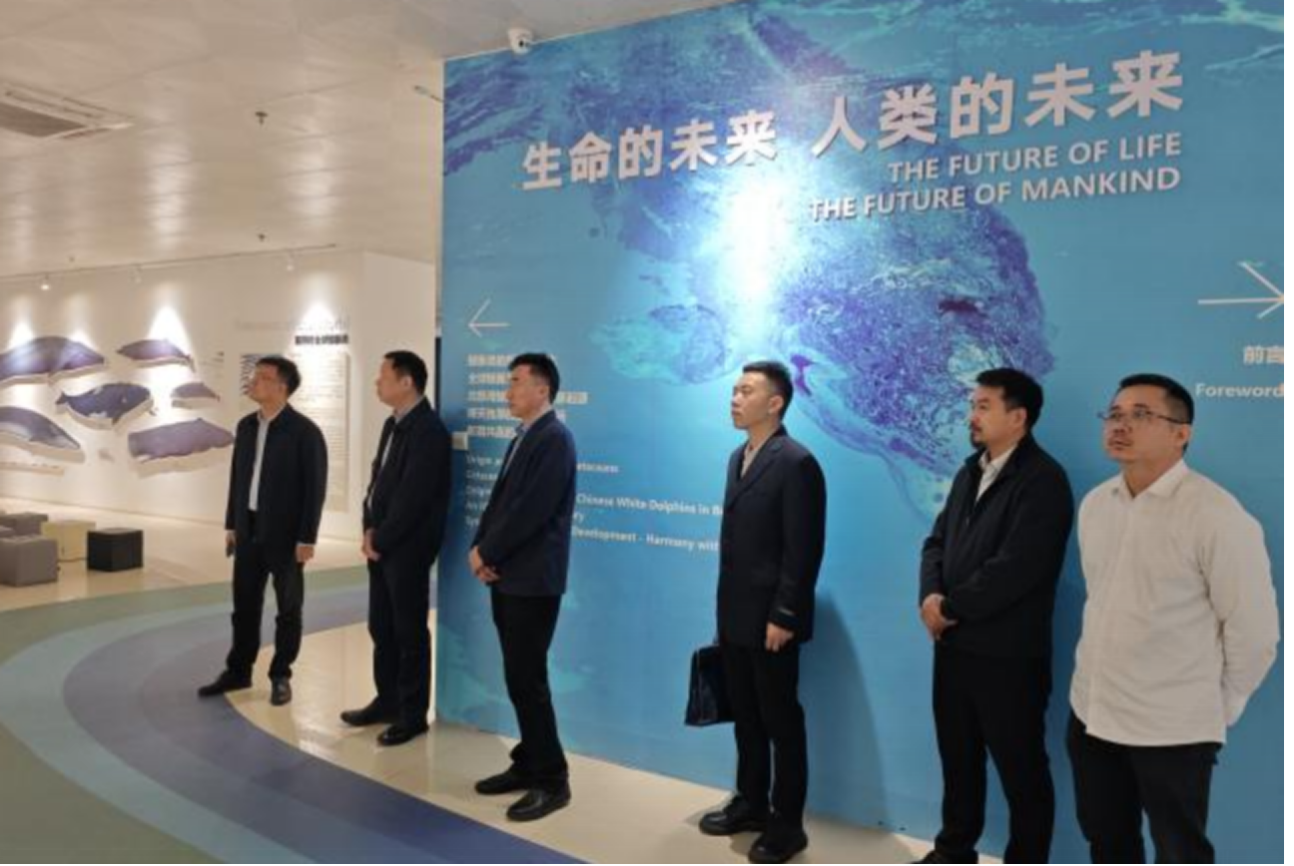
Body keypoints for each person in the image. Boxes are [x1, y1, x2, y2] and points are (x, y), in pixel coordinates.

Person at [1068, 374, 1280, 864]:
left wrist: (1212, 710)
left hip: (1172, 729)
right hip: (1093, 711)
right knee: (1107, 840)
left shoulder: (1216, 516)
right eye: (1114, 414)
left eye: (1141, 415)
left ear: (1181, 433)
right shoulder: (1097, 504)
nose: (1120, 425)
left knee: (1180, 852)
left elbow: (1254, 633)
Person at [915, 369, 1074, 864]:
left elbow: (1018, 568)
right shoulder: (970, 472)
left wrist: (950, 608)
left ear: (1018, 417)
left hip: (1009, 657)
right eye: (973, 405)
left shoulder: (1044, 480)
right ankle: (953, 851)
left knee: (1022, 774)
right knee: (958, 762)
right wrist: (930, 594)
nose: (972, 416)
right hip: (953, 648)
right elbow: (936, 542)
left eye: (983, 406)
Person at [700, 361, 827, 866]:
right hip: (736, 615)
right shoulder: (739, 457)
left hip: (774, 621)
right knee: (746, 718)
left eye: (746, 391)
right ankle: (750, 802)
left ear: (775, 403)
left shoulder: (796, 462)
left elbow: (803, 549)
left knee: (781, 723)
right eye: (734, 389)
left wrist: (785, 615)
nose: (735, 398)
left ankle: (787, 824)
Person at [470, 353, 578, 823]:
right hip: (509, 574)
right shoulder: (525, 435)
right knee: (518, 677)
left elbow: (533, 510)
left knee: (528, 680)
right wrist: (481, 548)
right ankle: (529, 761)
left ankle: (553, 780)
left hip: (532, 581)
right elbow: (501, 505)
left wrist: (488, 552)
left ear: (542, 389)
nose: (507, 391)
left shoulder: (554, 438)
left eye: (516, 382)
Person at [200, 355, 327, 708]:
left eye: (262, 377)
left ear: (282, 386)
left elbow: (314, 489)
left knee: (288, 609)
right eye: (254, 376)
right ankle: (238, 670)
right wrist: (232, 523)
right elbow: (237, 479)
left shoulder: (305, 433)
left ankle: (281, 674)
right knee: (244, 605)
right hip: (248, 529)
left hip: (286, 535)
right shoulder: (246, 426)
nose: (253, 381)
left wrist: (307, 537)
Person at [341, 351, 452, 747]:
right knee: (381, 627)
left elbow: (414, 498)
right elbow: (378, 482)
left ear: (407, 382)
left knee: (408, 632)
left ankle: (411, 714)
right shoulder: (393, 423)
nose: (377, 382)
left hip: (407, 548)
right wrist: (368, 528)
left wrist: (381, 538)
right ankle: (386, 701)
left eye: (383, 375)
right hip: (383, 545)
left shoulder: (429, 431)